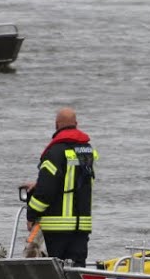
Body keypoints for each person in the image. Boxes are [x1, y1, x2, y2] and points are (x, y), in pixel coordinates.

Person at [24, 107, 97, 267]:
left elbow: (46, 191)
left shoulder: (55, 152)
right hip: (82, 227)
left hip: (57, 228)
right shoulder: (86, 151)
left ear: (57, 125)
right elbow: (77, 180)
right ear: (76, 124)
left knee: (57, 275)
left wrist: (31, 214)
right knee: (76, 272)